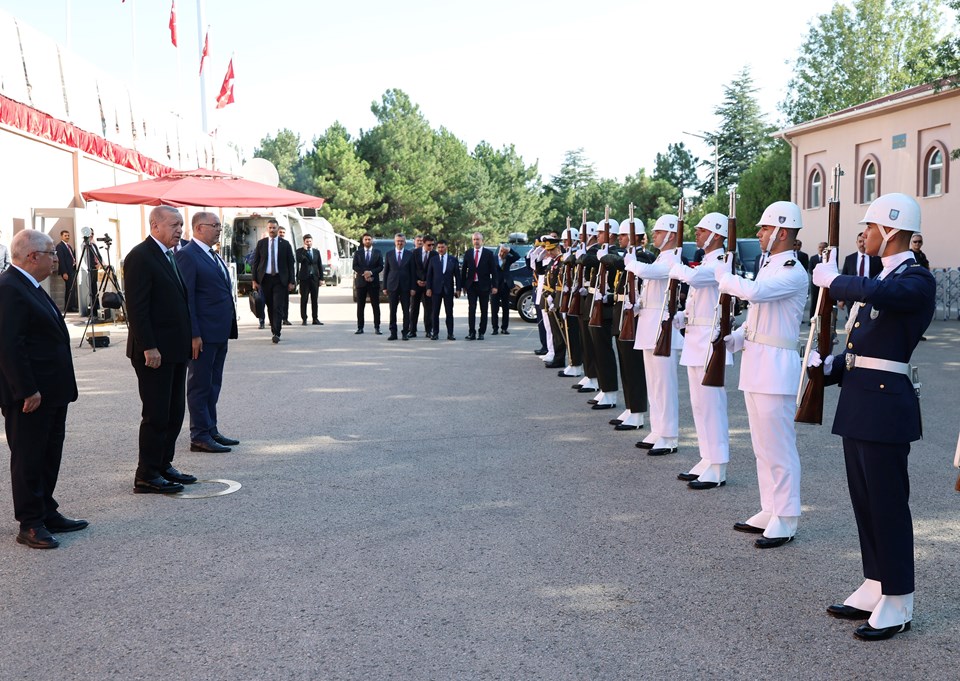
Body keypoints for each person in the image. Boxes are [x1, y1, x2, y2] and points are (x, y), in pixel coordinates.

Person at [811, 193, 934, 641]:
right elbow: (864, 343)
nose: (862, 235)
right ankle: (876, 581)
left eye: (868, 227)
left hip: (885, 405)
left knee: (887, 504)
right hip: (861, 400)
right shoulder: (880, 276)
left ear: (890, 230)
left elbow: (882, 296)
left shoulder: (915, 278)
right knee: (865, 501)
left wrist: (835, 280)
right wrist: (832, 368)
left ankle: (899, 598)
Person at [715, 201, 807, 548]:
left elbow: (755, 294)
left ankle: (787, 517)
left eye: (765, 229)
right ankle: (770, 508)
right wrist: (736, 338)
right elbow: (758, 314)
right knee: (761, 446)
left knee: (780, 448)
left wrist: (725, 277)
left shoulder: (792, 270)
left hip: (776, 368)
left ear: (782, 232)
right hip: (757, 363)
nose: (759, 234)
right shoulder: (769, 266)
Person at [0, 230, 86, 549]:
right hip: (30, 395)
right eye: (51, 252)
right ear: (33, 256)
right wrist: (27, 389)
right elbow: (9, 346)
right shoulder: (9, 288)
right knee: (29, 457)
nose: (56, 258)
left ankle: (46, 510)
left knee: (49, 453)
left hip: (52, 390)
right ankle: (30, 523)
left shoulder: (30, 285)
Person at [123, 206, 196, 494]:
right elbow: (138, 309)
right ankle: (147, 474)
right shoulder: (140, 256)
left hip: (175, 350)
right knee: (156, 413)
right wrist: (149, 346)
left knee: (175, 410)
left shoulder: (170, 255)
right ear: (155, 226)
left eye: (181, 225)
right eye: (174, 224)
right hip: (153, 353)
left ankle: (164, 463)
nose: (180, 230)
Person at [669, 213, 731, 489]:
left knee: (711, 405)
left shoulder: (719, 263)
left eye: (701, 229)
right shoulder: (707, 261)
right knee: (699, 405)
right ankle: (707, 458)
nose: (696, 233)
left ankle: (718, 466)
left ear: (716, 234)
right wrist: (683, 317)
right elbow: (698, 299)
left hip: (709, 341)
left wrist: (674, 263)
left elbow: (695, 280)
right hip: (696, 337)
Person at [176, 212, 240, 454]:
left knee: (213, 382)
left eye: (219, 226)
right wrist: (193, 333)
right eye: (215, 226)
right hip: (202, 333)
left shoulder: (212, 254)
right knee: (200, 384)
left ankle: (210, 428)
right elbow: (187, 298)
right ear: (199, 228)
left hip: (219, 331)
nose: (219, 230)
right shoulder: (188, 256)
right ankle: (199, 435)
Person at [625, 214, 684, 455]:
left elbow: (653, 274)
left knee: (664, 384)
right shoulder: (662, 257)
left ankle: (669, 436)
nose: (654, 235)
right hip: (649, 324)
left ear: (670, 234)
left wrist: (631, 263)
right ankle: (658, 429)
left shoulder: (672, 259)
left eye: (658, 232)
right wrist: (638, 304)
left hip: (662, 328)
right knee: (653, 382)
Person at [251, 219, 296, 344]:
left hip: (280, 280)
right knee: (270, 306)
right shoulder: (261, 243)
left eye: (274, 228)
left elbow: (290, 264)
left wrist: (292, 281)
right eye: (270, 228)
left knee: (278, 306)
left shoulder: (285, 244)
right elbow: (256, 263)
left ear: (277, 229)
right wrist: (254, 280)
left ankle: (277, 332)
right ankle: (273, 329)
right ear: (267, 229)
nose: (272, 230)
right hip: (265, 280)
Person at [460, 232, 498, 340]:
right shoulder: (468, 253)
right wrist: (463, 285)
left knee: (484, 309)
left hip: (484, 286)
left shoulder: (488, 254)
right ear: (472, 241)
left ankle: (481, 332)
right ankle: (471, 332)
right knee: (471, 309)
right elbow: (463, 271)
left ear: (482, 241)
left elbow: (494, 271)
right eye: (474, 239)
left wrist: (494, 286)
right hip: (471, 285)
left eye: (478, 239)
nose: (476, 241)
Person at [382, 233, 415, 340]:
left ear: (404, 242)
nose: (400, 243)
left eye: (401, 241)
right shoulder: (389, 254)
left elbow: (412, 273)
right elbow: (386, 271)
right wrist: (384, 287)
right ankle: (393, 332)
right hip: (392, 286)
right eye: (398, 241)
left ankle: (405, 332)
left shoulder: (410, 254)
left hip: (406, 287)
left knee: (406, 311)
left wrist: (413, 287)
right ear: (395, 242)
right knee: (393, 310)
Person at [425, 239, 461, 340]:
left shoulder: (453, 259)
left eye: (443, 247)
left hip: (448, 290)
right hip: (435, 290)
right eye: (439, 247)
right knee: (435, 312)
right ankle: (435, 333)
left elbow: (457, 276)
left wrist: (458, 289)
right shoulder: (433, 260)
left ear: (446, 247)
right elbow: (429, 275)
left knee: (449, 312)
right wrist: (428, 288)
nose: (441, 249)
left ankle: (450, 333)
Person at [839, 233, 882, 310]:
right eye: (860, 241)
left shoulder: (876, 259)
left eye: (864, 242)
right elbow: (844, 277)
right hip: (852, 296)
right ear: (856, 243)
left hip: (870, 296)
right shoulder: (850, 259)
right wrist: (842, 299)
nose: (862, 244)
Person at [352, 233, 383, 335]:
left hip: (373, 282)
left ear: (372, 240)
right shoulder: (358, 253)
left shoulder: (377, 252)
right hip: (361, 283)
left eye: (369, 239)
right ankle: (360, 327)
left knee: (376, 306)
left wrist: (370, 273)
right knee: (360, 306)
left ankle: (377, 327)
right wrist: (364, 273)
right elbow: (355, 266)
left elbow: (380, 266)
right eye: (366, 239)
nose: (367, 241)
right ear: (363, 241)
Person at [410, 234, 437, 338]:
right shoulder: (415, 253)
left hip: (428, 286)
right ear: (424, 243)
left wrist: (427, 282)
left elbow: (435, 271)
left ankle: (428, 330)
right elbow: (412, 269)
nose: (431, 247)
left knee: (428, 309)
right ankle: (412, 330)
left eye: (433, 245)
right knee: (414, 308)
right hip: (416, 285)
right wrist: (416, 281)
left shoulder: (434, 254)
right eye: (429, 245)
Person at [491, 244, 520, 335]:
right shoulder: (493, 258)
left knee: (505, 308)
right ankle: (495, 328)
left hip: (506, 286)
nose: (502, 253)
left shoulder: (508, 259)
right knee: (494, 308)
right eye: (501, 250)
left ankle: (504, 328)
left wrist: (510, 249)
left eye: (504, 252)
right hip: (495, 286)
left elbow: (517, 256)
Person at [296, 234, 324, 326]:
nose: (308, 243)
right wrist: (304, 250)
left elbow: (319, 265)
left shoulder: (316, 252)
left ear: (312, 241)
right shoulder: (300, 251)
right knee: (304, 299)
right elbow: (299, 260)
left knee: (314, 299)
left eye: (310, 241)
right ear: (304, 242)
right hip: (304, 278)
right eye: (307, 241)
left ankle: (315, 318)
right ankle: (304, 318)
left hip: (314, 278)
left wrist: (321, 278)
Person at [55, 230, 78, 312]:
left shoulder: (68, 246)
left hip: (72, 270)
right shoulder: (59, 246)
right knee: (70, 288)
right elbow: (61, 260)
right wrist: (64, 272)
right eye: (65, 235)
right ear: (61, 236)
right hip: (66, 271)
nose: (67, 237)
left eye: (68, 235)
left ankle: (72, 306)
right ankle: (69, 307)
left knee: (72, 288)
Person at [807, 241, 828, 318]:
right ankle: (812, 318)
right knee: (814, 301)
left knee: (825, 301)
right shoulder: (813, 258)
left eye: (823, 247)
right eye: (820, 247)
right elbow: (810, 270)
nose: (821, 249)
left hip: (825, 283)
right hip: (815, 283)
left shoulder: (828, 258)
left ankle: (824, 318)